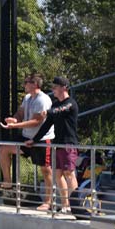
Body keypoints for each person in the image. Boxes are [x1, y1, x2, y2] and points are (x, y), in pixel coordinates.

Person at [0, 72, 54, 210]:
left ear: (35, 84)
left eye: (26, 82)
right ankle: (8, 182)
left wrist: (15, 126)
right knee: (4, 149)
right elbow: (20, 113)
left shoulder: (43, 100)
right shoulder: (28, 97)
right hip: (26, 137)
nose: (24, 85)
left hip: (42, 139)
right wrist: (14, 119)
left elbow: (36, 121)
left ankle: (48, 201)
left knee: (46, 170)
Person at [27, 76, 79, 214]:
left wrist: (47, 112)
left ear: (64, 87)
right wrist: (35, 139)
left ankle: (76, 205)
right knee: (58, 174)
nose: (53, 90)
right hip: (58, 144)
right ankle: (65, 204)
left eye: (55, 87)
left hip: (69, 143)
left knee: (69, 173)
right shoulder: (55, 105)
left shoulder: (70, 103)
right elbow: (46, 125)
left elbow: (60, 110)